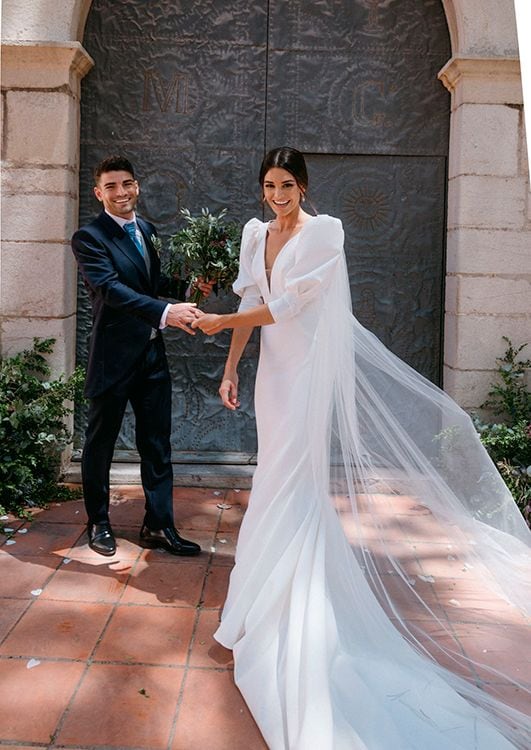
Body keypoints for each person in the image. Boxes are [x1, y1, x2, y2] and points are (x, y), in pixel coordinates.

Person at [192, 147, 531, 748]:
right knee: (272, 476)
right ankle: (261, 602)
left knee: (290, 480)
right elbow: (248, 307)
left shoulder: (324, 236)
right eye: (269, 184)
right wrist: (231, 369)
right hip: (272, 376)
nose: (277, 194)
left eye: (287, 184)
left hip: (306, 379)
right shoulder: (254, 234)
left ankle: (290, 604)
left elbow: (291, 305)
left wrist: (217, 322)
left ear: (303, 185)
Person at [72, 155, 210, 557]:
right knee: (101, 444)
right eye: (111, 186)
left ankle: (159, 524)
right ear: (99, 193)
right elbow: (111, 290)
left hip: (151, 354)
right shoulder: (89, 238)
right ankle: (98, 521)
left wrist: (187, 288)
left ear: (137, 187)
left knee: (157, 444)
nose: (121, 193)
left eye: (127, 184)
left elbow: (149, 281)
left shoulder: (146, 230)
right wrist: (168, 312)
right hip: (112, 358)